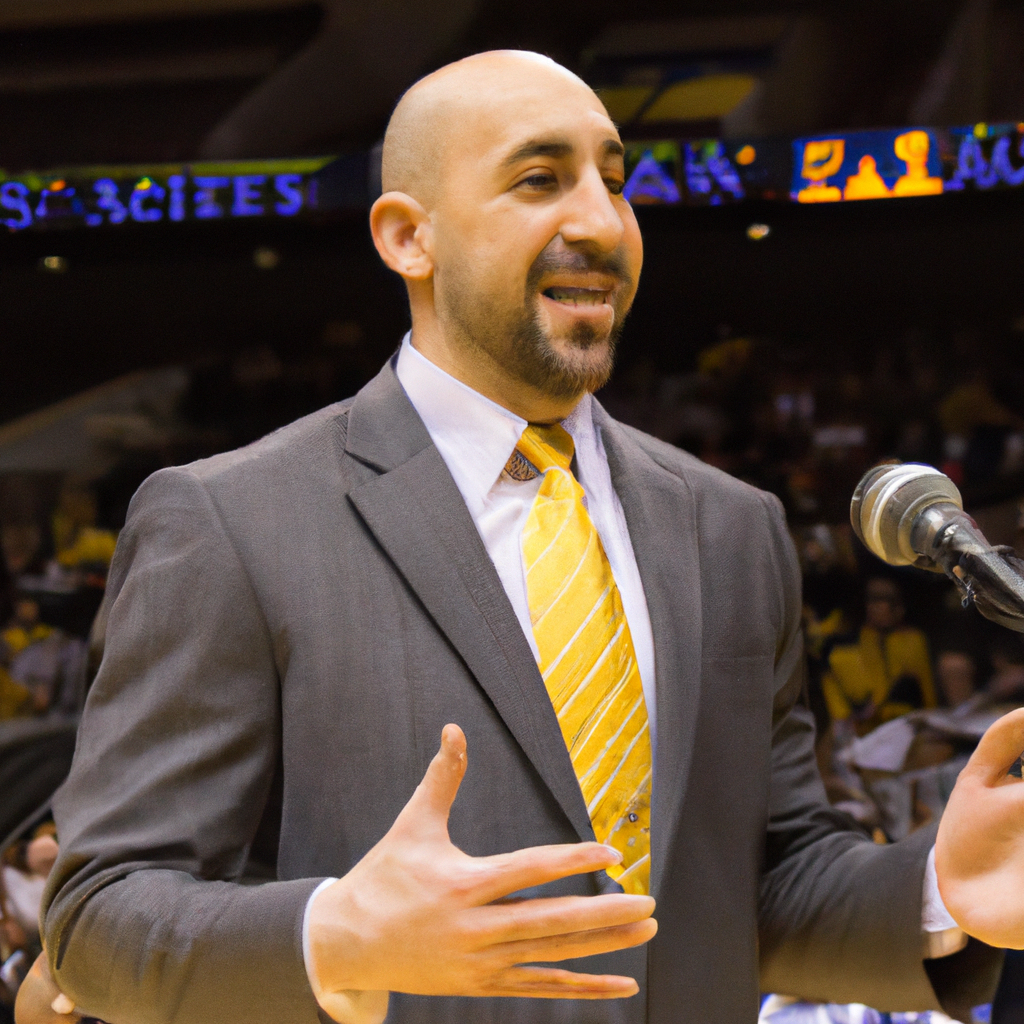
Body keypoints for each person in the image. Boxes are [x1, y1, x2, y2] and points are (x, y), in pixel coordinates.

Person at [24, 50, 1024, 1024]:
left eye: (615, 180)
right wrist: (332, 936)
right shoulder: (233, 521)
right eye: (540, 179)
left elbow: (761, 881)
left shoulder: (731, 525)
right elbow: (100, 917)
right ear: (407, 235)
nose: (600, 221)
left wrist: (940, 891)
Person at [822, 576, 937, 734]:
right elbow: (837, 697)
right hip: (862, 732)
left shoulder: (913, 640)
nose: (881, 607)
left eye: (890, 600)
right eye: (874, 600)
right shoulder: (844, 649)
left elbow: (927, 693)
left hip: (907, 726)